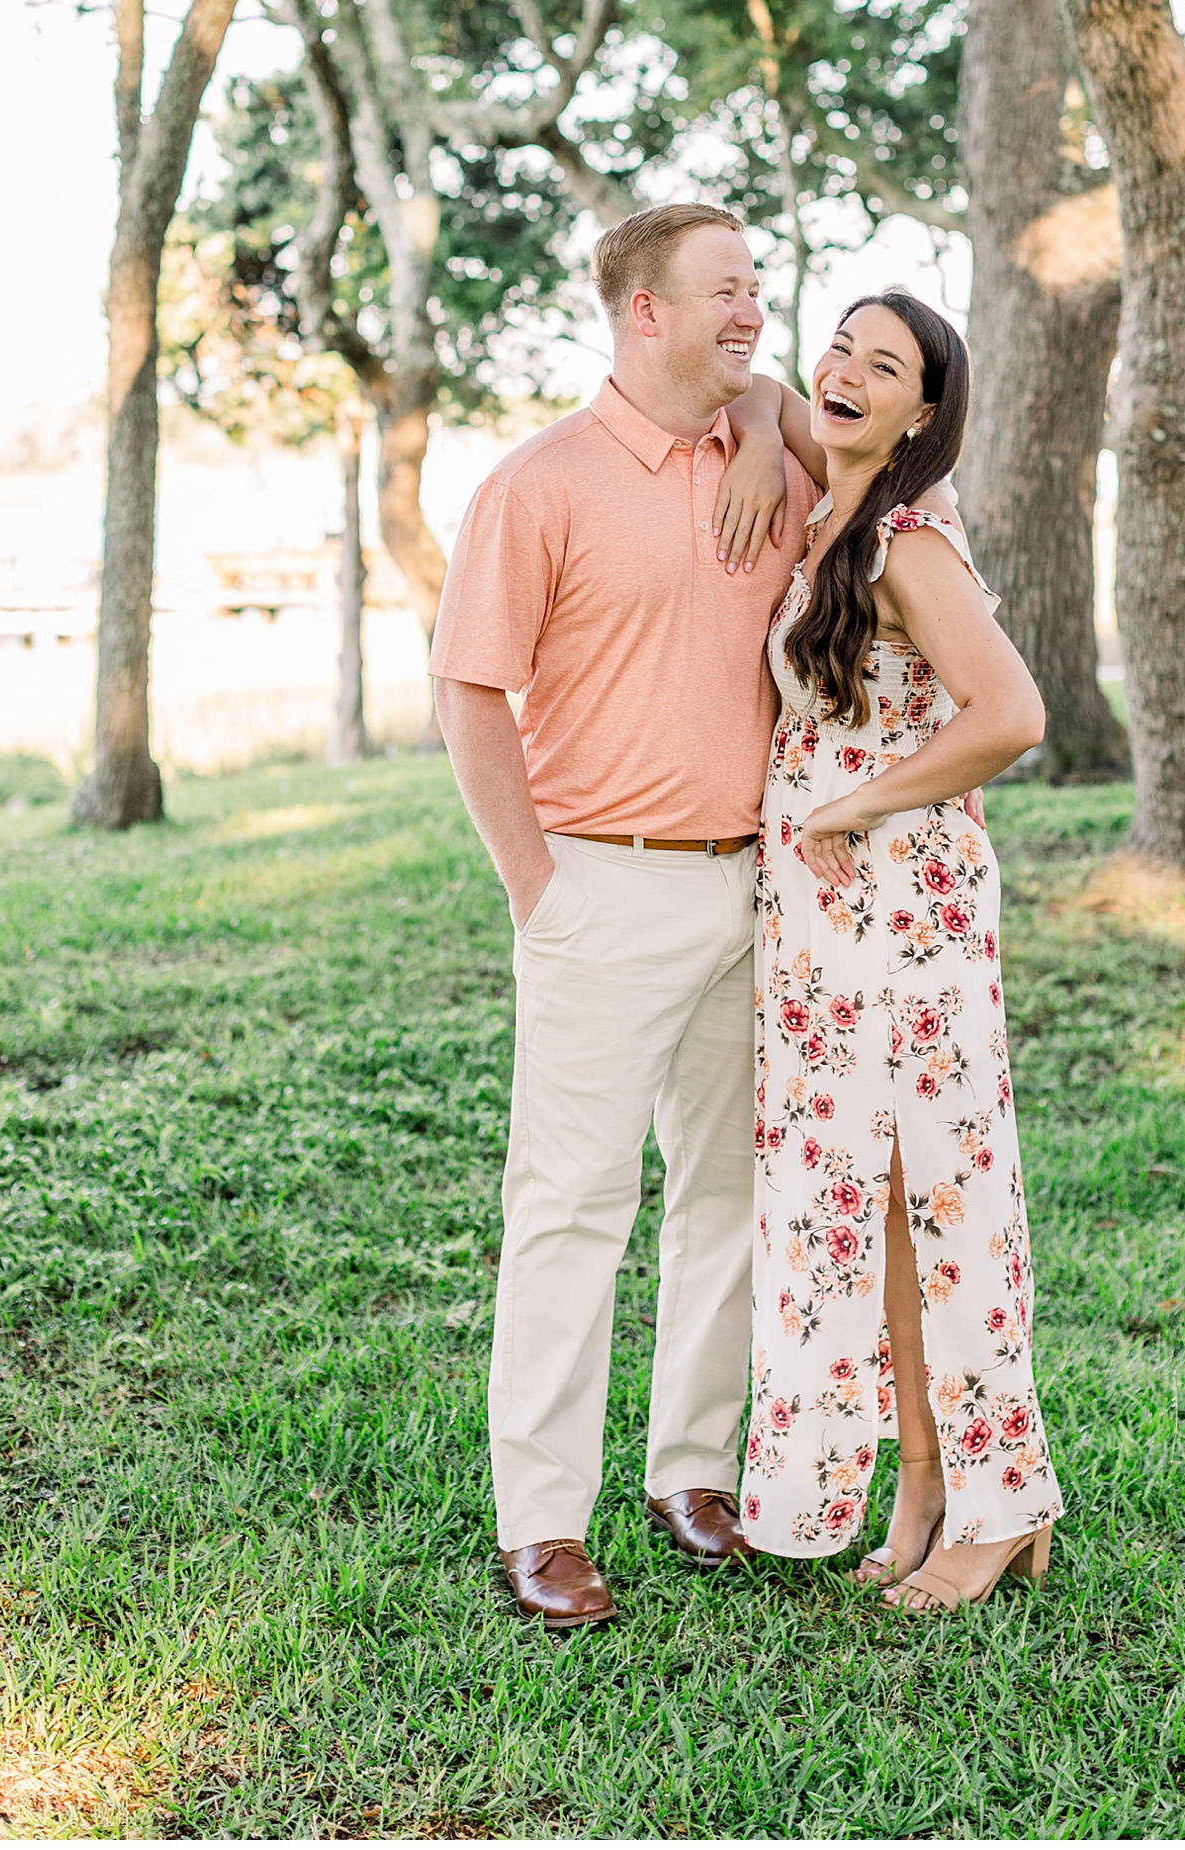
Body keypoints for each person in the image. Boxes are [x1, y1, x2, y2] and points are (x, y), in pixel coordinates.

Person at [430, 201, 813, 1628]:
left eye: (758, 288)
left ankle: (693, 1472)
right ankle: (541, 1520)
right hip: (601, 881)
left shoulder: (763, 461)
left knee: (728, 1190)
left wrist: (766, 420)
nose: (753, 312)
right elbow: (470, 691)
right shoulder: (539, 484)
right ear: (642, 310)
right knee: (571, 1208)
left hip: (753, 885)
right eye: (725, 291)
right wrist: (538, 883)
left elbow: (865, 422)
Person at [742, 289, 1066, 1611]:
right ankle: (923, 1485)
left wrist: (859, 800)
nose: (845, 373)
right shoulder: (832, 512)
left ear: (925, 409)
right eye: (839, 348)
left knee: (946, 1201)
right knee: (876, 1205)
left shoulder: (909, 542)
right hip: (823, 928)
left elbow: (1016, 713)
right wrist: (778, 412)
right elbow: (759, 387)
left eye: (886, 365)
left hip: (904, 912)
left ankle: (1001, 1501)